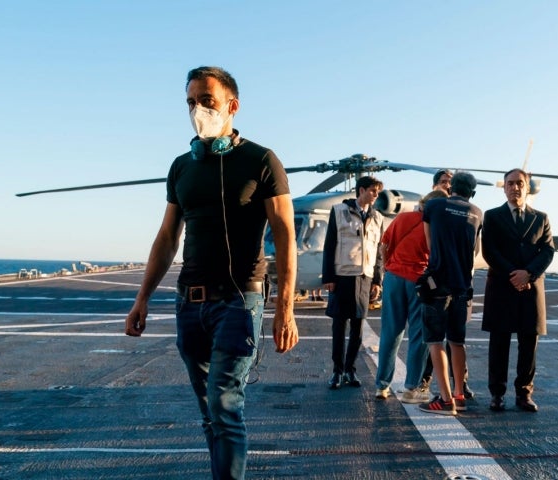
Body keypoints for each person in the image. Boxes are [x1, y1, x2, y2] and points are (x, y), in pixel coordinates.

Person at [124, 66, 299, 479]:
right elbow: (167, 237)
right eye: (191, 102)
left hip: (239, 301)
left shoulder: (262, 160)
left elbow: (286, 234)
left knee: (224, 406)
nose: (197, 109)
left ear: (232, 107)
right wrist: (142, 298)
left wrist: (285, 308)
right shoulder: (182, 166)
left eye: (207, 101)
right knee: (209, 412)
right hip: (190, 304)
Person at [481, 168, 555, 413]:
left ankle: (524, 393)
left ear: (527, 187)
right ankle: (497, 394)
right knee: (499, 344)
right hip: (503, 287)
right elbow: (490, 251)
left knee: (529, 344)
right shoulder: (492, 216)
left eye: (520, 183)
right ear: (504, 187)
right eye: (510, 183)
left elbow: (547, 250)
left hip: (530, 289)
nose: (515, 187)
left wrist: (528, 274)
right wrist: (514, 273)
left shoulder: (541, 218)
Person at [417, 172, 482, 415]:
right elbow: (475, 250)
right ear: (472, 192)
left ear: (451, 187)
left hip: (437, 284)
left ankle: (444, 400)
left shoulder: (433, 205)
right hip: (463, 285)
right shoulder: (478, 213)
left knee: (435, 341)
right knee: (457, 341)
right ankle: (459, 394)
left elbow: (429, 244)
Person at [374, 189, 448, 402]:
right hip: (418, 281)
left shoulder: (403, 217)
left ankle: (382, 386)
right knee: (419, 334)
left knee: (390, 331)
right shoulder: (435, 226)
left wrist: (389, 267)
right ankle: (411, 388)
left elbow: (384, 245)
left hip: (394, 278)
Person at [322, 176, 385, 389]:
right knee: (339, 326)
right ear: (362, 190)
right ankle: (337, 371)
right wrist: (329, 277)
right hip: (342, 276)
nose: (376, 195)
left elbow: (378, 253)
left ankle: (350, 369)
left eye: (378, 192)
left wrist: (377, 280)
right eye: (373, 191)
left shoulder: (377, 218)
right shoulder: (339, 211)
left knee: (358, 327)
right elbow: (330, 245)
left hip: (365, 277)